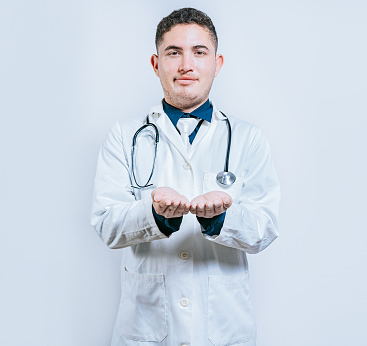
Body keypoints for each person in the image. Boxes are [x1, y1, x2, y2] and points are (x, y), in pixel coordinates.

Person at [91, 7, 280, 346]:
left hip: (223, 331)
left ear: (217, 64)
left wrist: (221, 219)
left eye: (199, 52)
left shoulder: (248, 138)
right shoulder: (124, 136)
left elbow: (264, 228)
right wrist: (154, 215)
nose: (186, 65)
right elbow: (106, 224)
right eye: (173, 52)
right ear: (156, 63)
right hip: (145, 331)